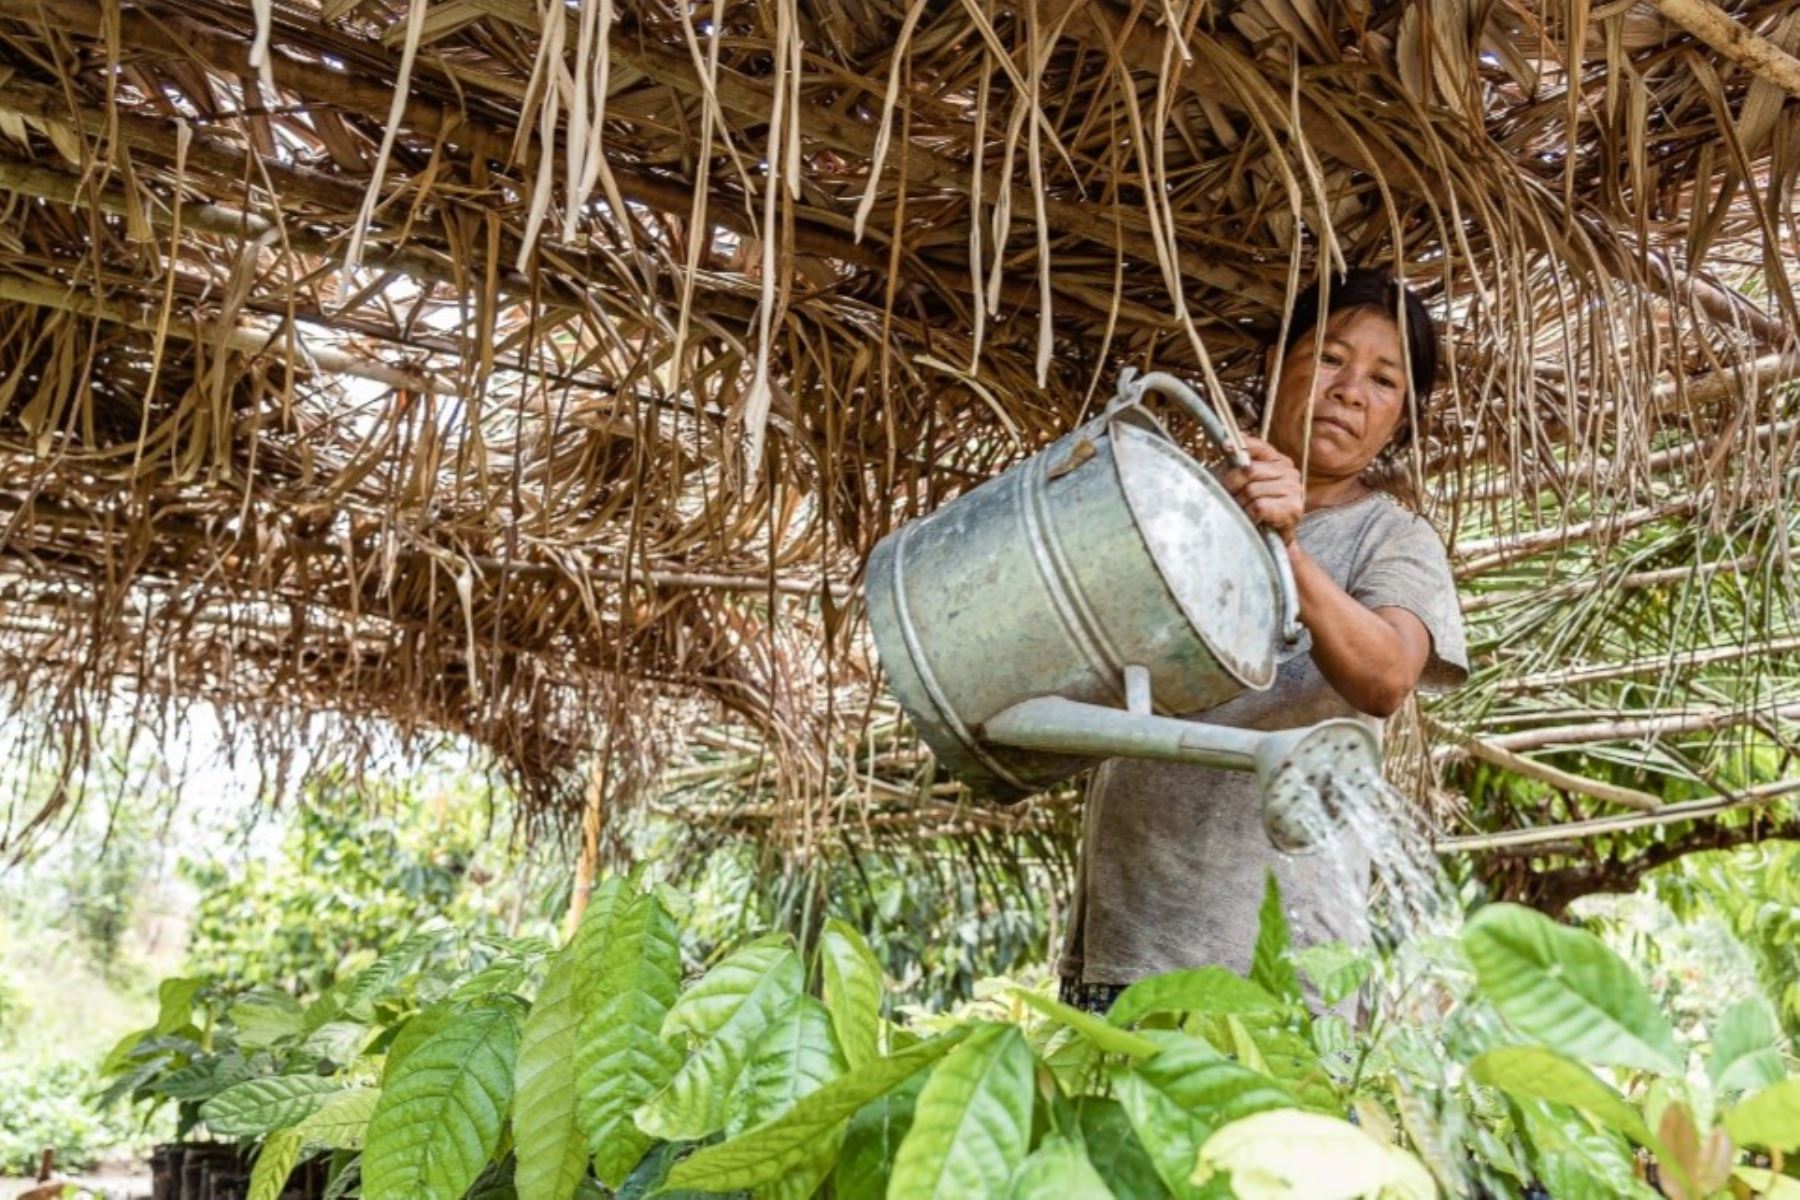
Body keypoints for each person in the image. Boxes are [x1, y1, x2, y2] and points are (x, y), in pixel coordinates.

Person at [1057, 268, 1470, 1016]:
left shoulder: (1393, 539)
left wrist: (1289, 549)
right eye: (1332, 357)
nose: (1351, 390)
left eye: (1384, 380)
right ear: (1276, 367)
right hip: (1128, 940)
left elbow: (1386, 677)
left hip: (1283, 976)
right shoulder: (1177, 505)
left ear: (1400, 422)